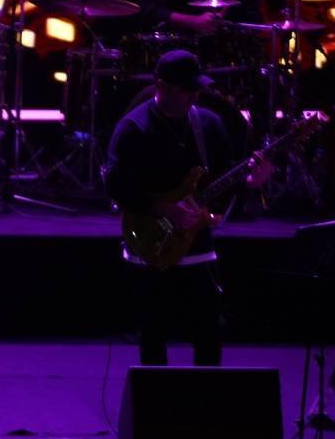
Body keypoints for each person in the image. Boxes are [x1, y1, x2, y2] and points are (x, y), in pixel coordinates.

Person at [104, 50, 273, 366]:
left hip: (197, 245)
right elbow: (116, 187)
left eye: (197, 89)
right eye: (186, 89)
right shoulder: (134, 128)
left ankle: (207, 395)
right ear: (161, 86)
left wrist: (252, 181)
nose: (195, 96)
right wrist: (165, 208)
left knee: (209, 331)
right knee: (153, 336)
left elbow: (224, 177)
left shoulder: (208, 123)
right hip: (149, 240)